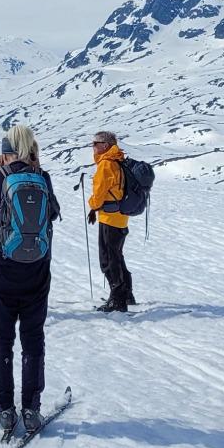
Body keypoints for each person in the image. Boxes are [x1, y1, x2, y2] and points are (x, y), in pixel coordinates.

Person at [0, 126, 61, 438]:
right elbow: (52, 214)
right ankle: (31, 407)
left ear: (6, 149)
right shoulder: (43, 177)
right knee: (33, 338)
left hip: (0, 269)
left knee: (1, 338)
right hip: (37, 270)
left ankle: (4, 408)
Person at [89, 131, 135, 313]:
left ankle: (117, 300)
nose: (93, 146)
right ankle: (126, 294)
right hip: (120, 216)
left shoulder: (106, 164)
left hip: (109, 217)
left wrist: (92, 204)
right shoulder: (118, 160)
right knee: (117, 255)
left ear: (105, 145)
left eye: (95, 143)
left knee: (108, 259)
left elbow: (98, 195)